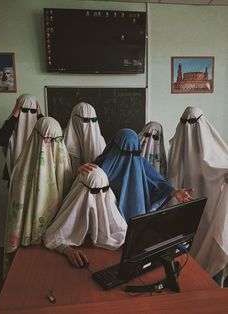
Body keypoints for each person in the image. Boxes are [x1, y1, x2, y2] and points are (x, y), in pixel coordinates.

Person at [167, 106, 228, 285]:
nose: (188, 127)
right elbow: (173, 177)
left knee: (211, 258)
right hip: (185, 215)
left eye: (193, 123)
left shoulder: (216, 154)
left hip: (210, 216)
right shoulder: (178, 149)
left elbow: (219, 167)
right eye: (185, 123)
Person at [4, 116, 72, 274]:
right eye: (48, 140)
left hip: (58, 240)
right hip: (27, 244)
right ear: (37, 138)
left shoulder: (65, 160)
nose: (53, 145)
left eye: (58, 140)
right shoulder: (22, 169)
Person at [79, 128, 193, 222]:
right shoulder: (98, 166)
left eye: (134, 152)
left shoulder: (139, 162)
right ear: (115, 148)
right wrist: (79, 172)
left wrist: (175, 192)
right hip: (107, 223)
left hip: (135, 223)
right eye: (125, 153)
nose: (130, 158)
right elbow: (81, 188)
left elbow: (158, 183)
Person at [43, 166, 127, 267]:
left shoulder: (108, 201)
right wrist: (68, 250)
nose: (100, 196)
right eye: (94, 192)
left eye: (104, 189)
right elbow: (51, 235)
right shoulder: (75, 204)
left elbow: (121, 230)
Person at [0, 94, 43, 183]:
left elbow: (48, 134)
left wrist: (40, 116)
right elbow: (0, 139)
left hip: (38, 173)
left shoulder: (41, 126)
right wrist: (14, 115)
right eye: (24, 110)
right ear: (17, 109)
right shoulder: (10, 125)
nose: (28, 115)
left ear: (37, 110)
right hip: (15, 173)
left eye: (33, 111)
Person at [64, 102, 106, 185]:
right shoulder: (61, 141)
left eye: (94, 120)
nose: (90, 125)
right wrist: (76, 173)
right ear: (74, 119)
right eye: (85, 120)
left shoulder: (101, 141)